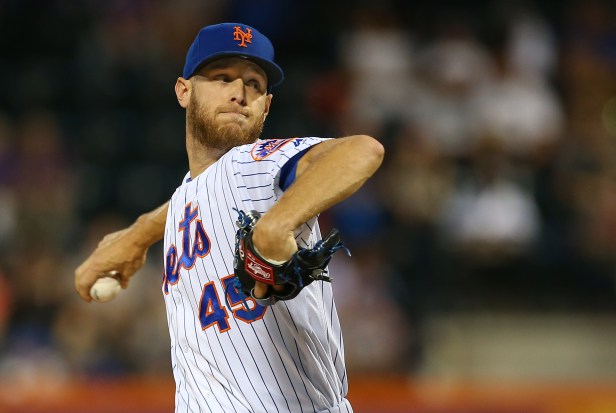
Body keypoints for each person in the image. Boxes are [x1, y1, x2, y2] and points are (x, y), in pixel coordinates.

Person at [75, 22, 384, 413]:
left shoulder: (256, 163)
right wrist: (137, 236)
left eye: (254, 84)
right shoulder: (191, 193)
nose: (239, 93)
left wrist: (276, 225)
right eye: (222, 78)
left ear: (267, 105)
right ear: (183, 91)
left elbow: (361, 150)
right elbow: (195, 197)